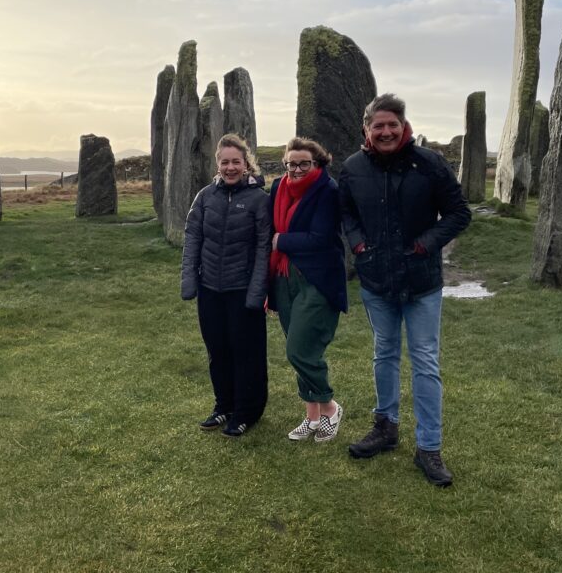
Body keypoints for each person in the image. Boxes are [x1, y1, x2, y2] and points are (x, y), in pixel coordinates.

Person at [340, 94, 471, 486]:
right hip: (376, 278)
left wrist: (424, 244)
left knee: (425, 360)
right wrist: (359, 244)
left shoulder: (429, 164)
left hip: (421, 281)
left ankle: (429, 447)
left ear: (403, 126)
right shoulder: (352, 168)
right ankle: (386, 426)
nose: (385, 131)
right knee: (384, 352)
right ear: (366, 129)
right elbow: (346, 213)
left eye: (391, 124)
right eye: (377, 125)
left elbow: (458, 213)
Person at [181, 134, 271, 438]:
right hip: (211, 288)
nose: (230, 167)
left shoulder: (260, 199)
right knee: (217, 350)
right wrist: (190, 280)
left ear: (246, 164)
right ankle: (224, 405)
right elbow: (192, 238)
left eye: (236, 161)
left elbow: (263, 249)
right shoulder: (205, 197)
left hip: (242, 289)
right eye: (225, 162)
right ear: (217, 163)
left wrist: (257, 292)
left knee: (247, 352)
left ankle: (247, 411)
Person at [269, 137, 348, 443]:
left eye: (304, 163)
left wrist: (281, 241)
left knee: (299, 350)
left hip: (317, 279)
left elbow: (320, 237)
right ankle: (312, 417)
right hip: (284, 277)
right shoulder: (277, 188)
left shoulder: (327, 190)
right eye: (292, 163)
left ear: (317, 163)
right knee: (298, 347)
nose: (297, 169)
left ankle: (329, 407)